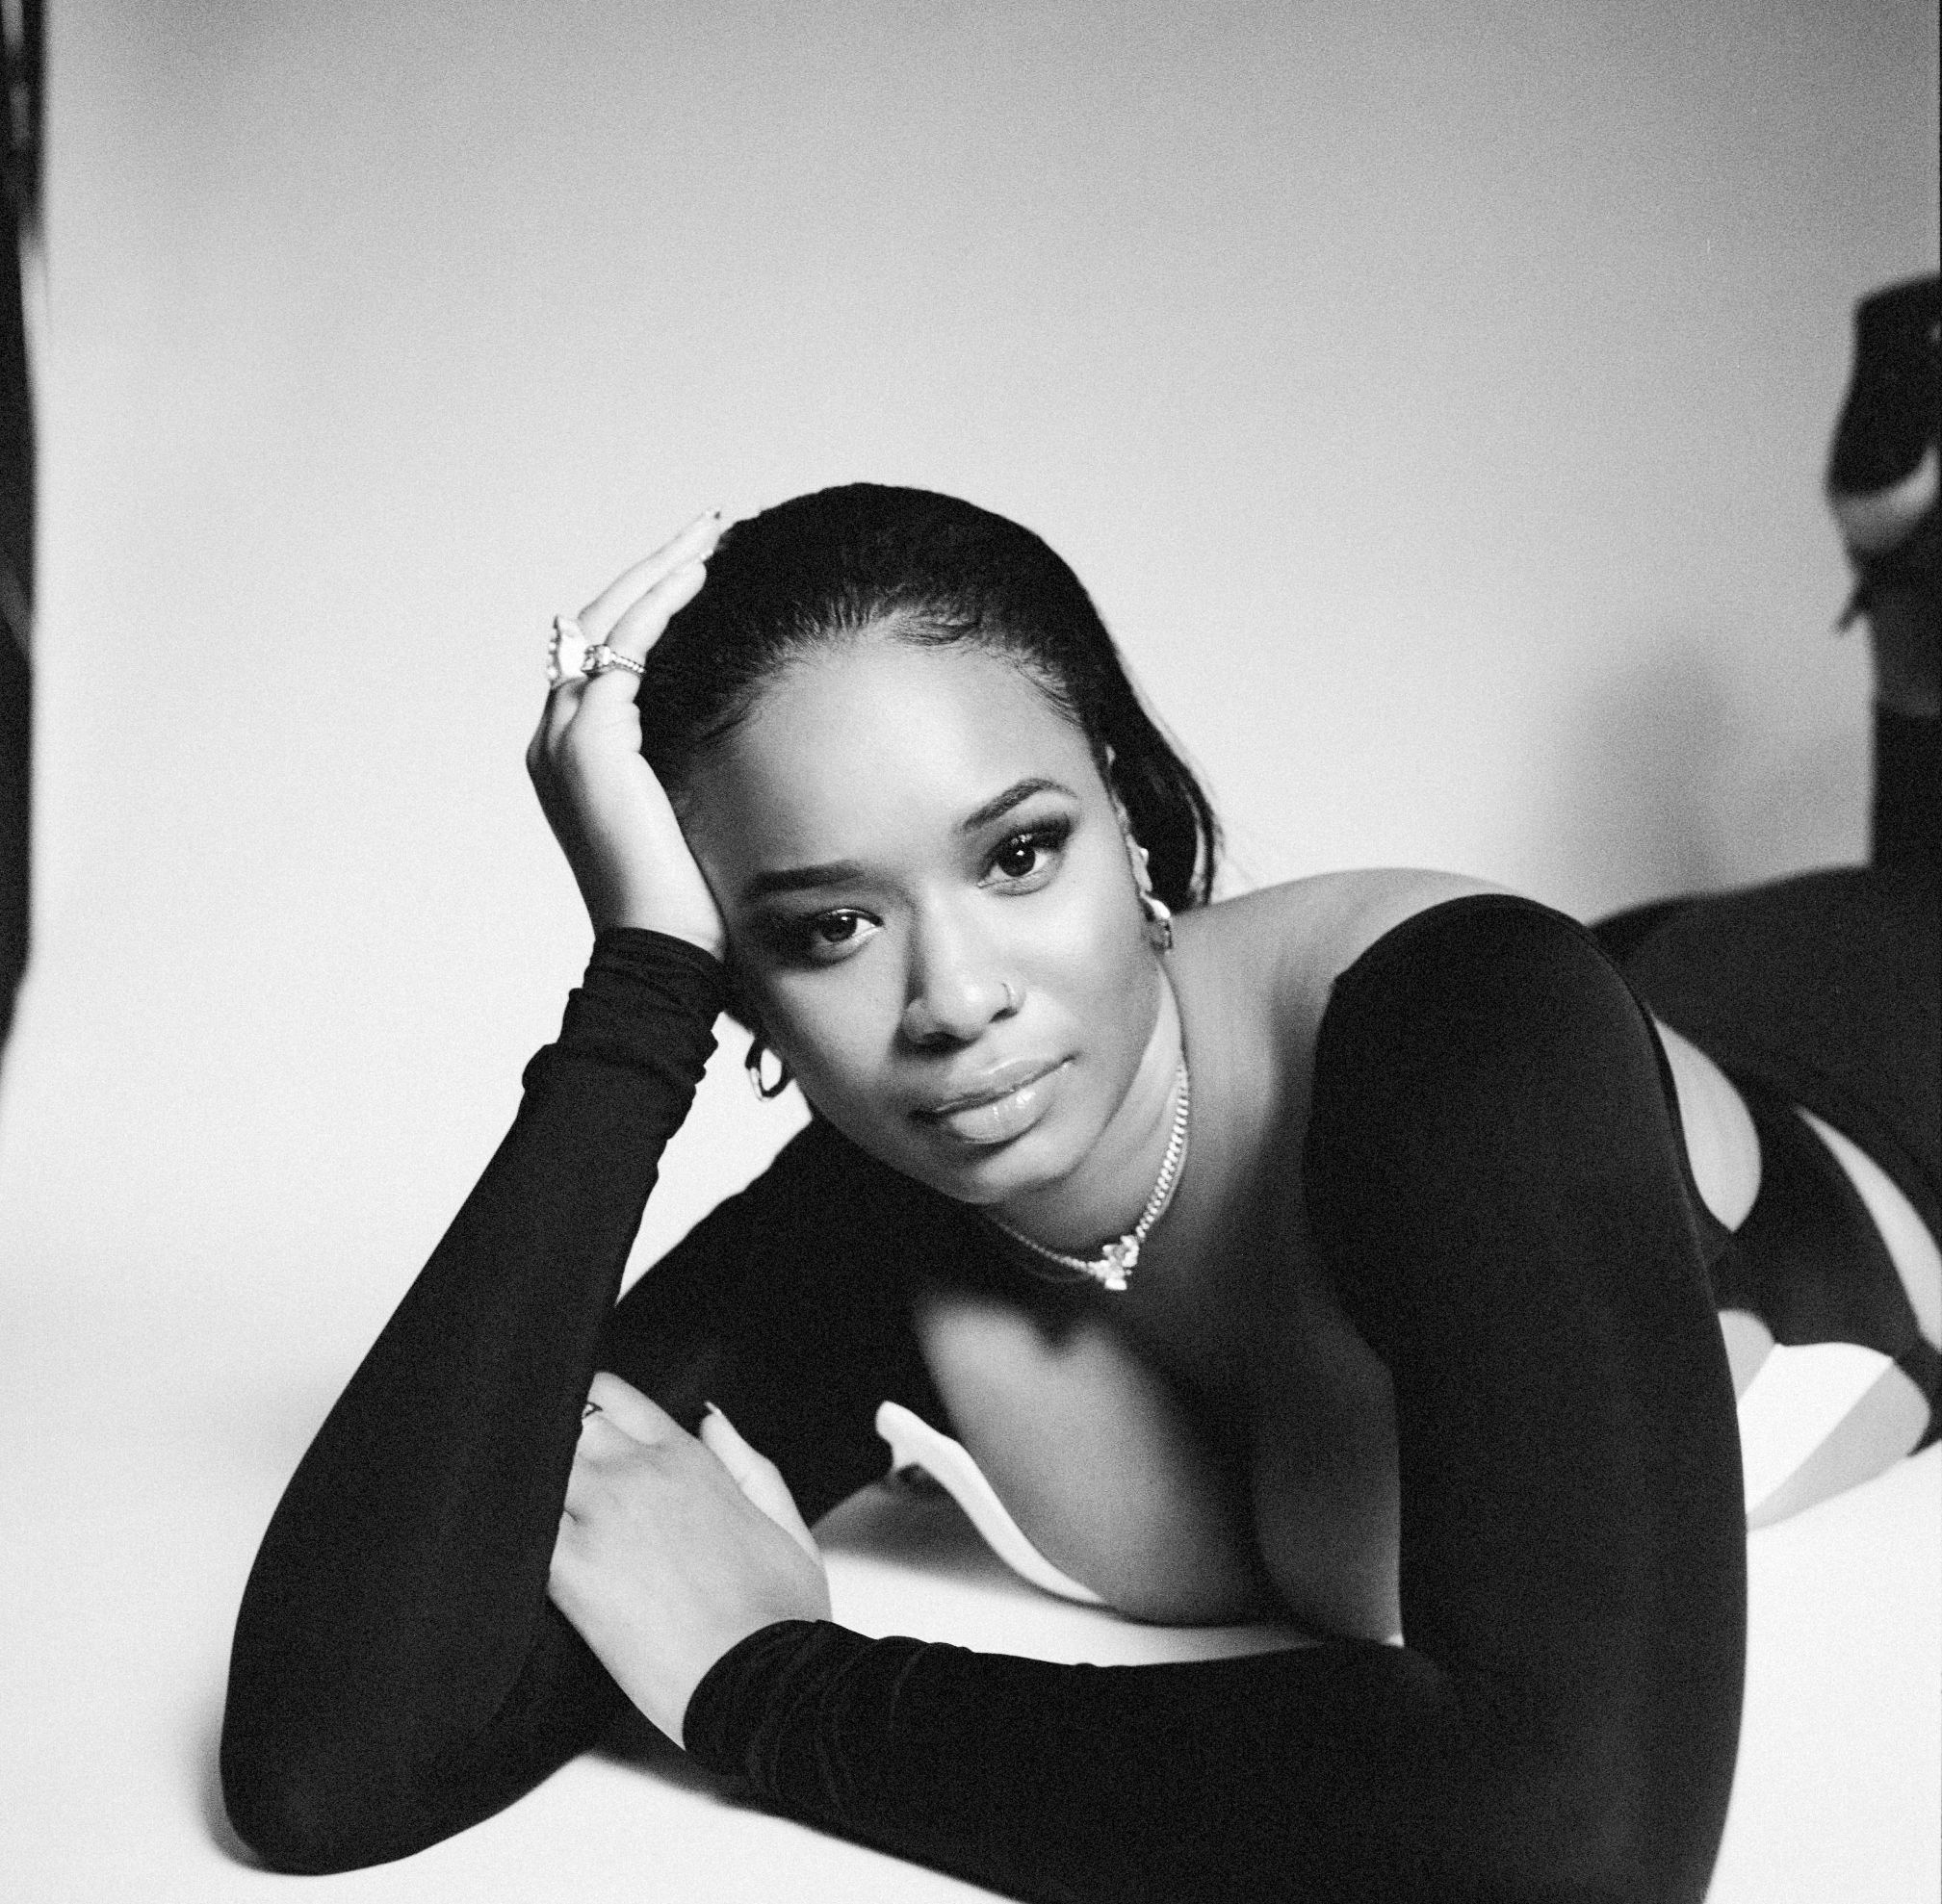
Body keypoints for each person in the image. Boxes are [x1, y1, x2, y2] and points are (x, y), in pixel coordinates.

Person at [220, 277, 1938, 1902]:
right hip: (1645, 1025)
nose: (958, 999)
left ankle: (1910, 593)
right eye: (825, 927)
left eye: (1018, 852)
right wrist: (636, 999)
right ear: (744, 975)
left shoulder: (1461, 1042)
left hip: (1874, 1044)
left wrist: (774, 1686)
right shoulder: (876, 1228)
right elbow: (331, 1767)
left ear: (1122, 808)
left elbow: (1583, 1843)